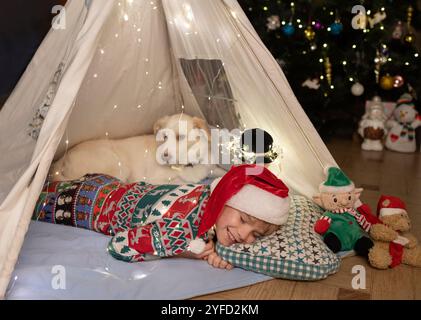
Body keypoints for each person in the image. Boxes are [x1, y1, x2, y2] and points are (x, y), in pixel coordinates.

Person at [33, 164, 290, 270]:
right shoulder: (180, 230)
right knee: (31, 200)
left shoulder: (207, 194)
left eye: (255, 235)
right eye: (244, 220)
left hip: (112, 185)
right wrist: (185, 250)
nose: (245, 237)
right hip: (83, 202)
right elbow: (120, 245)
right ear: (224, 198)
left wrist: (216, 251)